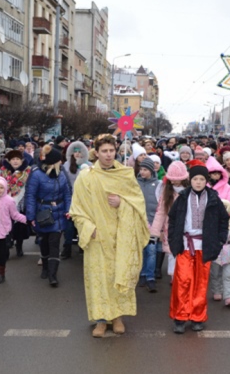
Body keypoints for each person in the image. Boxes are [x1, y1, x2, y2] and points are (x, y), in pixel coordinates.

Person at [68, 135, 149, 338]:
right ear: (96, 153)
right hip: (97, 237)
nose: (108, 155)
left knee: (119, 275)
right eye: (104, 151)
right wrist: (88, 228)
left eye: (111, 151)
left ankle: (118, 317)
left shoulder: (125, 175)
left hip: (121, 236)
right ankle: (101, 320)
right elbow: (76, 209)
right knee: (99, 279)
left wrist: (122, 203)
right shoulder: (86, 176)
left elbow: (139, 204)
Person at [167, 165, 230, 333]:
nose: (198, 182)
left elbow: (223, 220)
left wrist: (219, 241)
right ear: (190, 180)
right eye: (195, 179)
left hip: (205, 246)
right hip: (185, 246)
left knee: (201, 284)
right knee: (183, 281)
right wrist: (173, 241)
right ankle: (180, 317)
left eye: (202, 179)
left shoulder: (214, 198)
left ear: (206, 181)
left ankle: (197, 317)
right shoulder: (182, 197)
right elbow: (172, 220)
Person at [26, 146, 72, 288]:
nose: (61, 162)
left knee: (54, 244)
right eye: (59, 160)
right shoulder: (36, 174)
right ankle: (45, 266)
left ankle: (53, 275)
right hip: (43, 214)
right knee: (44, 243)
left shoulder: (61, 174)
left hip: (59, 214)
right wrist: (30, 216)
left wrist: (68, 210)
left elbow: (67, 193)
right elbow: (30, 195)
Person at [150, 161, 190, 282]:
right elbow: (160, 212)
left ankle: (183, 279)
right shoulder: (166, 191)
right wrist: (155, 232)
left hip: (187, 229)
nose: (173, 182)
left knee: (185, 255)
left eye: (176, 179)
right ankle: (175, 279)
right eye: (171, 179)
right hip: (171, 228)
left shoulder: (190, 191)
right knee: (173, 255)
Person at [0, 149, 33, 257]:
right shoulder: (3, 171)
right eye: (13, 159)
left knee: (20, 228)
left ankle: (19, 247)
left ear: (21, 160)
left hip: (21, 203)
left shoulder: (28, 171)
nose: (15, 161)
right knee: (6, 228)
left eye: (17, 159)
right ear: (9, 161)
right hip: (6, 203)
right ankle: (6, 249)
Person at [61, 141, 91, 259]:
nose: (77, 154)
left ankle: (83, 246)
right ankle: (67, 247)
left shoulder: (89, 165)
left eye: (80, 151)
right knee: (69, 225)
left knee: (83, 224)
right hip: (70, 199)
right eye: (75, 152)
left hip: (85, 200)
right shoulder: (66, 166)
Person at [137, 157, 161, 293]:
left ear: (151, 170)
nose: (142, 172)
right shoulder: (135, 183)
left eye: (145, 169)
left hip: (152, 223)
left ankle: (150, 277)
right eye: (141, 169)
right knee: (141, 250)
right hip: (138, 222)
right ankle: (142, 274)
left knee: (151, 251)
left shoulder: (158, 185)